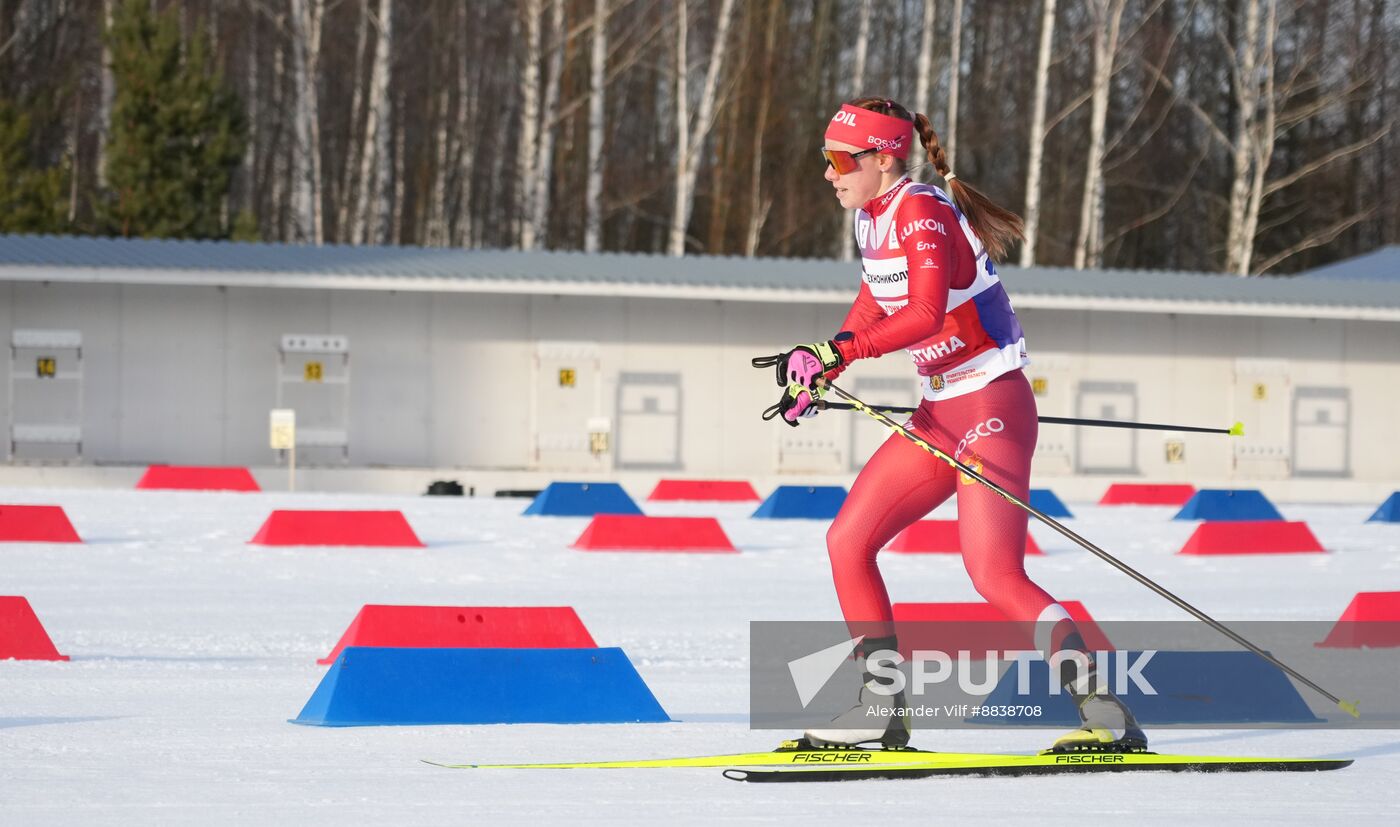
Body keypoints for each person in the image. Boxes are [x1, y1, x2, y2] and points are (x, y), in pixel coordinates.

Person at [754, 97, 1145, 754]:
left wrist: (841, 352)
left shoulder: (923, 213)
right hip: (939, 413)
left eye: (839, 159)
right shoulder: (871, 219)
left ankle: (1105, 712)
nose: (828, 172)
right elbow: (871, 306)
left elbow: (928, 314)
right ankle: (880, 709)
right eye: (826, 158)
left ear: (883, 159)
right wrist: (822, 365)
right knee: (847, 539)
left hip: (992, 406)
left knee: (993, 573)